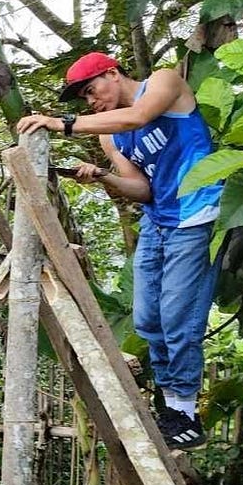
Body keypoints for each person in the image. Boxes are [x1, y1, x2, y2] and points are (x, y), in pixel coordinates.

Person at [18, 51, 225, 449]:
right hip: (159, 221)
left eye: (91, 91)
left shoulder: (164, 83)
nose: (90, 102)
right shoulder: (109, 135)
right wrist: (104, 176)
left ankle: (186, 414)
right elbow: (142, 189)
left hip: (196, 216)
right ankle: (172, 409)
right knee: (148, 320)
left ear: (113, 73)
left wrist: (61, 124)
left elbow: (138, 116)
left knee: (178, 320)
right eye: (83, 99)